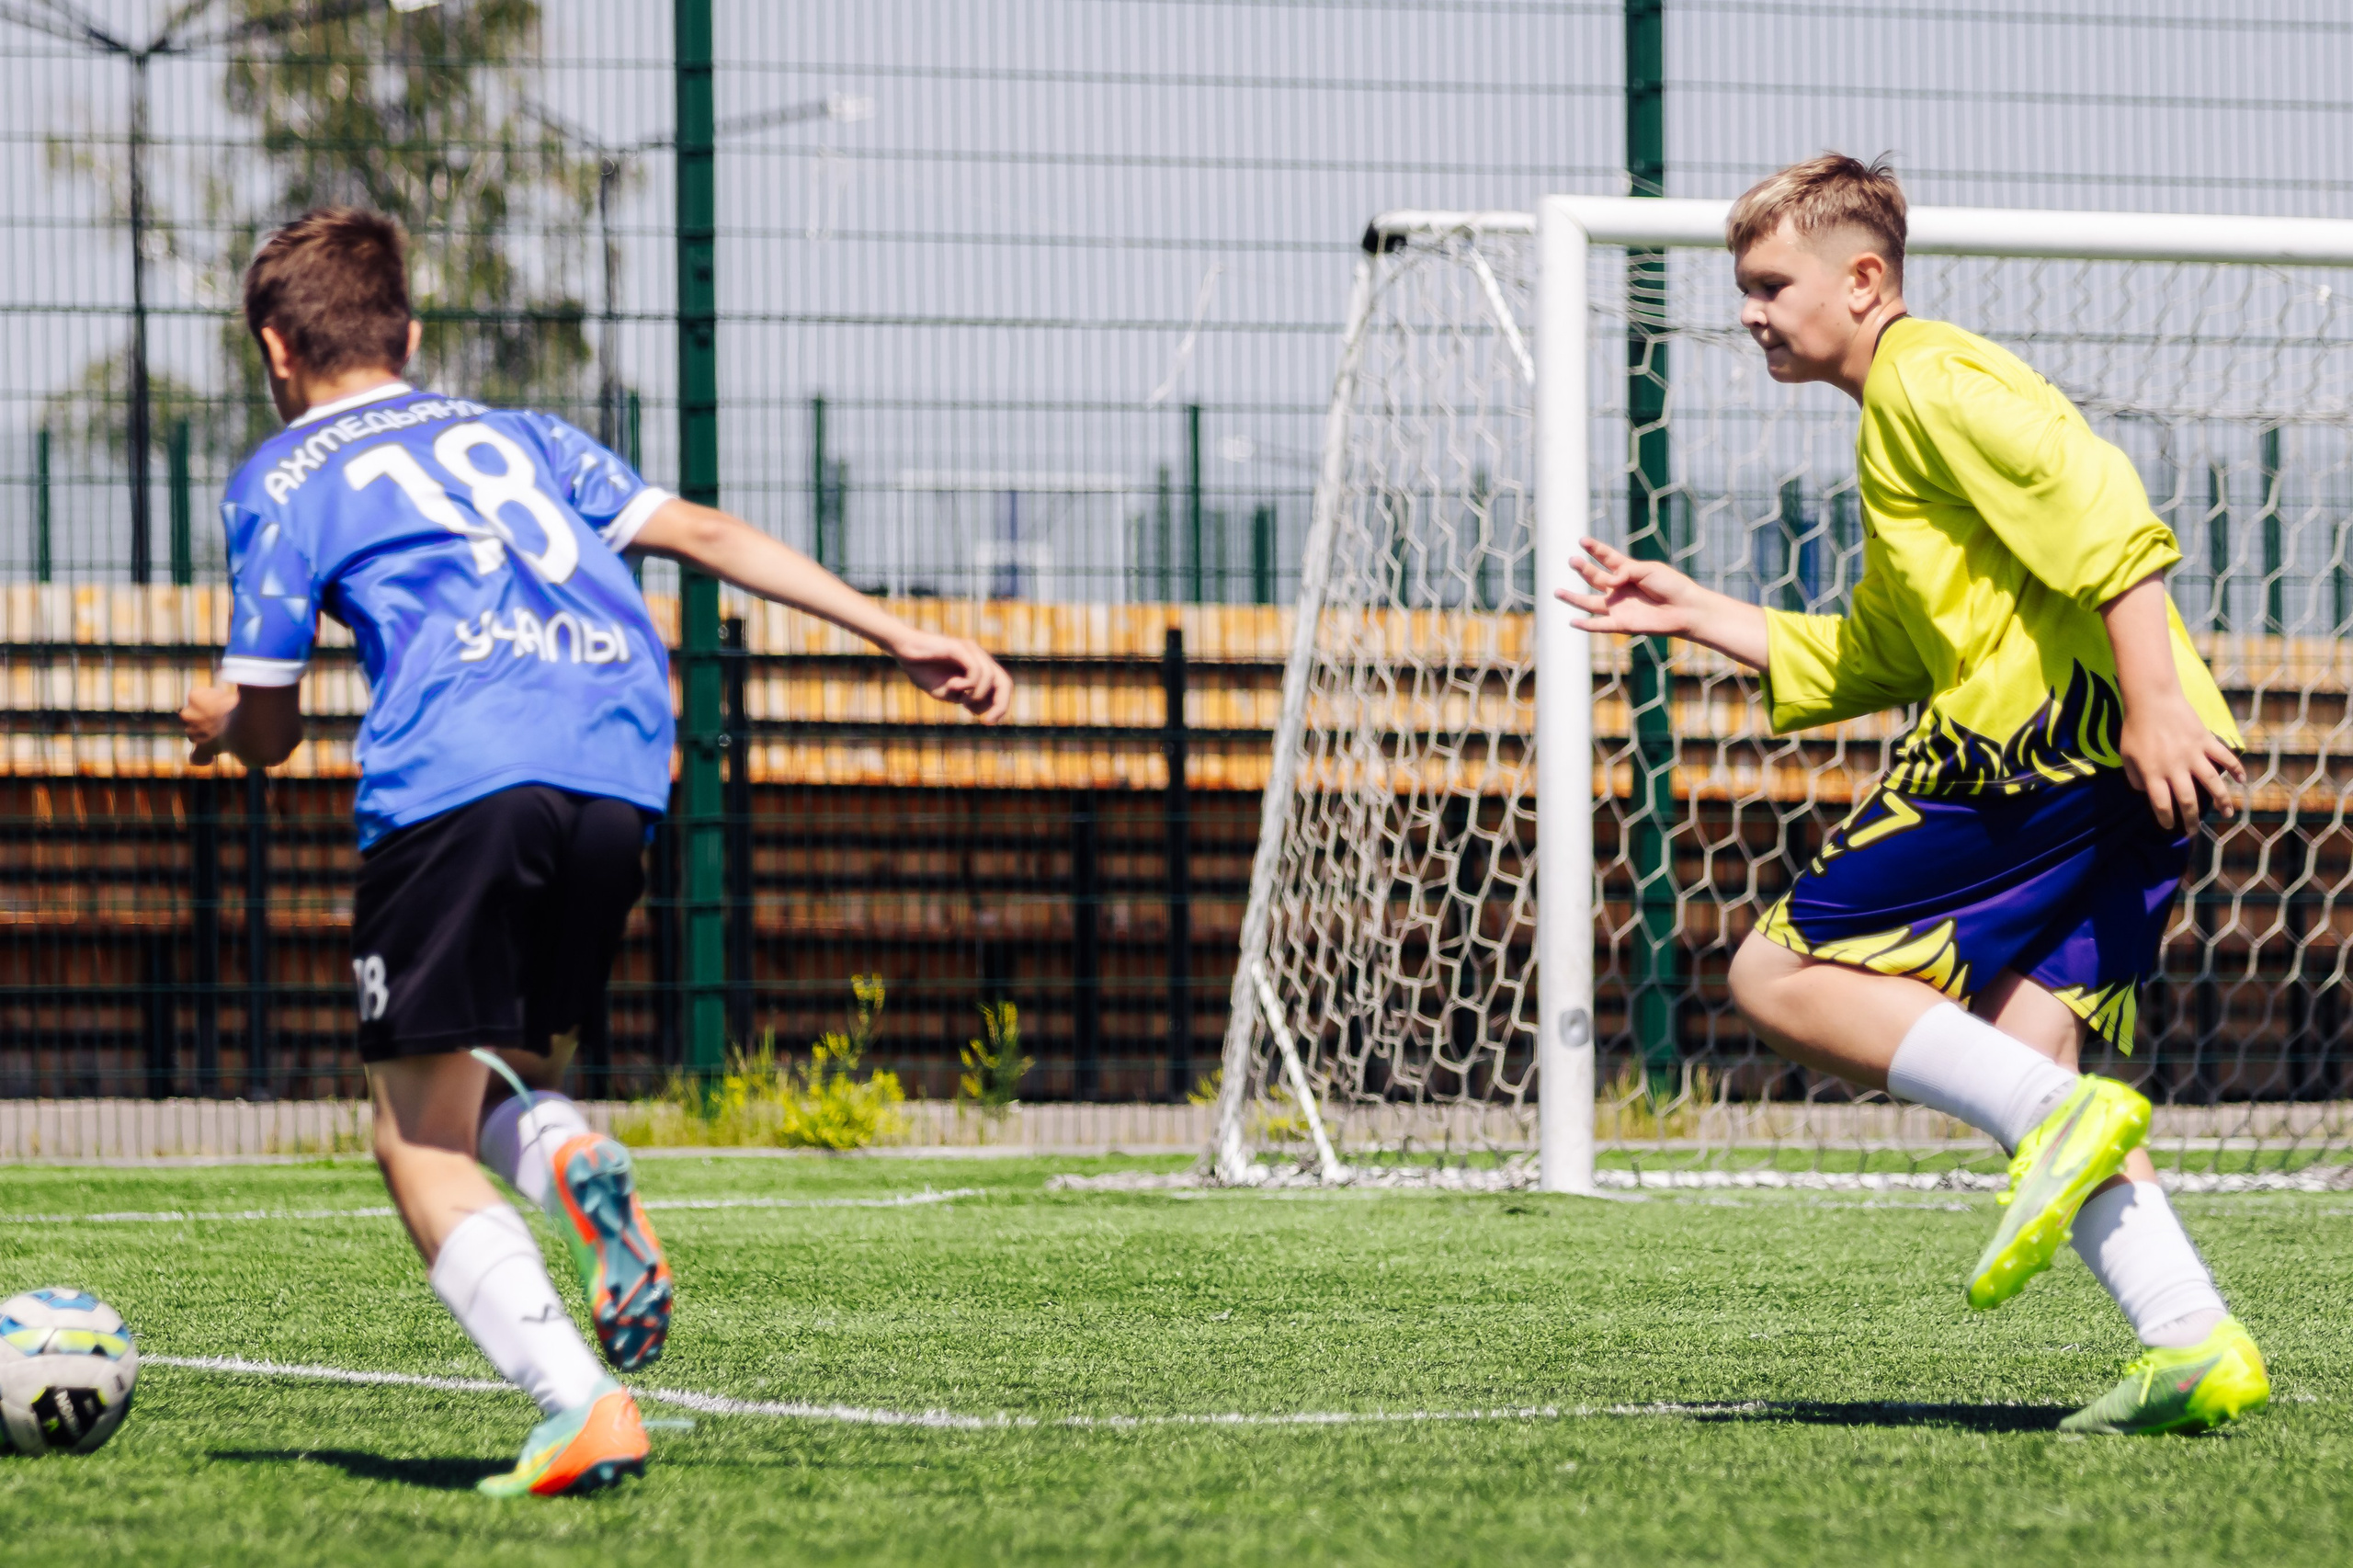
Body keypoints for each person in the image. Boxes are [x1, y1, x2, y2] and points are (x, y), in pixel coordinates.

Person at [179, 208, 1013, 1494]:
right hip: (620, 762)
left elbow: (275, 727)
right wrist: (895, 633)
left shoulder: (280, 480)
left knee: (417, 1140)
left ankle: (579, 1403)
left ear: (276, 349)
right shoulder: (521, 436)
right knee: (506, 1064)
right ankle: (565, 1146)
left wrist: (220, 722)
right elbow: (712, 540)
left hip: (461, 772)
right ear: (407, 332)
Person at [1559, 154, 2268, 1435]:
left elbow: (2098, 496)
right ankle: (2189, 1334)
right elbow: (1880, 652)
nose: (1753, 311)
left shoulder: (1930, 375)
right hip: (2123, 770)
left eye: (1773, 284)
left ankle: (2062, 1119)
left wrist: (2152, 696)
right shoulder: (1894, 423)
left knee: (1776, 979)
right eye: (1745, 288)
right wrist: (1699, 610)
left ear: (1864, 278)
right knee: (2018, 1045)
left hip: (2047, 750)